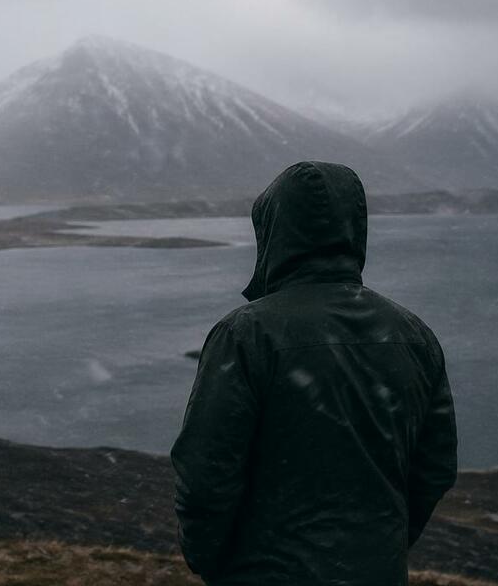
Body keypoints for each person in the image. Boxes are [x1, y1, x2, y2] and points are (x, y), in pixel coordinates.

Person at [171, 161, 458, 585]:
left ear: (273, 232)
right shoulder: (414, 335)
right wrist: (378, 545)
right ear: (354, 228)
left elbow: (205, 475)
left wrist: (215, 563)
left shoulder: (246, 334)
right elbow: (435, 468)